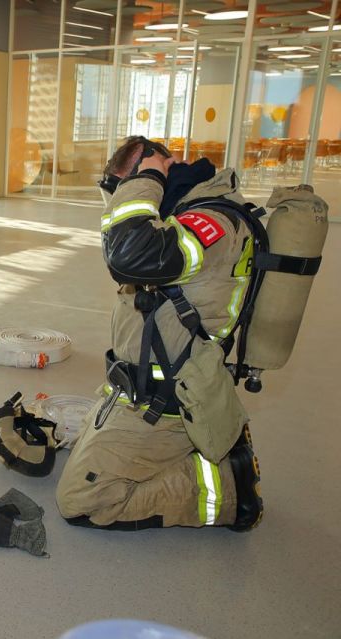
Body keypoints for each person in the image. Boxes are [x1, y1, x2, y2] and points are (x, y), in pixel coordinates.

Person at [56, 136, 263, 531]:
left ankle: (228, 486)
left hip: (172, 404)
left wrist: (149, 172)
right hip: (134, 392)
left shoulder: (214, 221)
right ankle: (199, 452)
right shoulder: (175, 215)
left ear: (169, 166)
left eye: (137, 181)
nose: (132, 193)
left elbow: (131, 255)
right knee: (71, 453)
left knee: (80, 501)